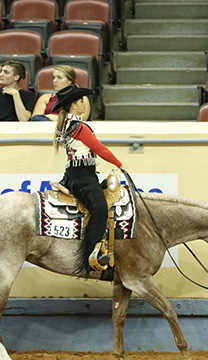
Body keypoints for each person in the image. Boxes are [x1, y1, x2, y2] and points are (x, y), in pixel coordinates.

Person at [52, 84, 127, 274]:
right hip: (83, 177)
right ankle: (92, 254)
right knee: (100, 207)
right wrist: (120, 164)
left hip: (78, 175)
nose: (84, 103)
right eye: (80, 101)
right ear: (72, 105)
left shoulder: (69, 124)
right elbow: (100, 149)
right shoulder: (78, 127)